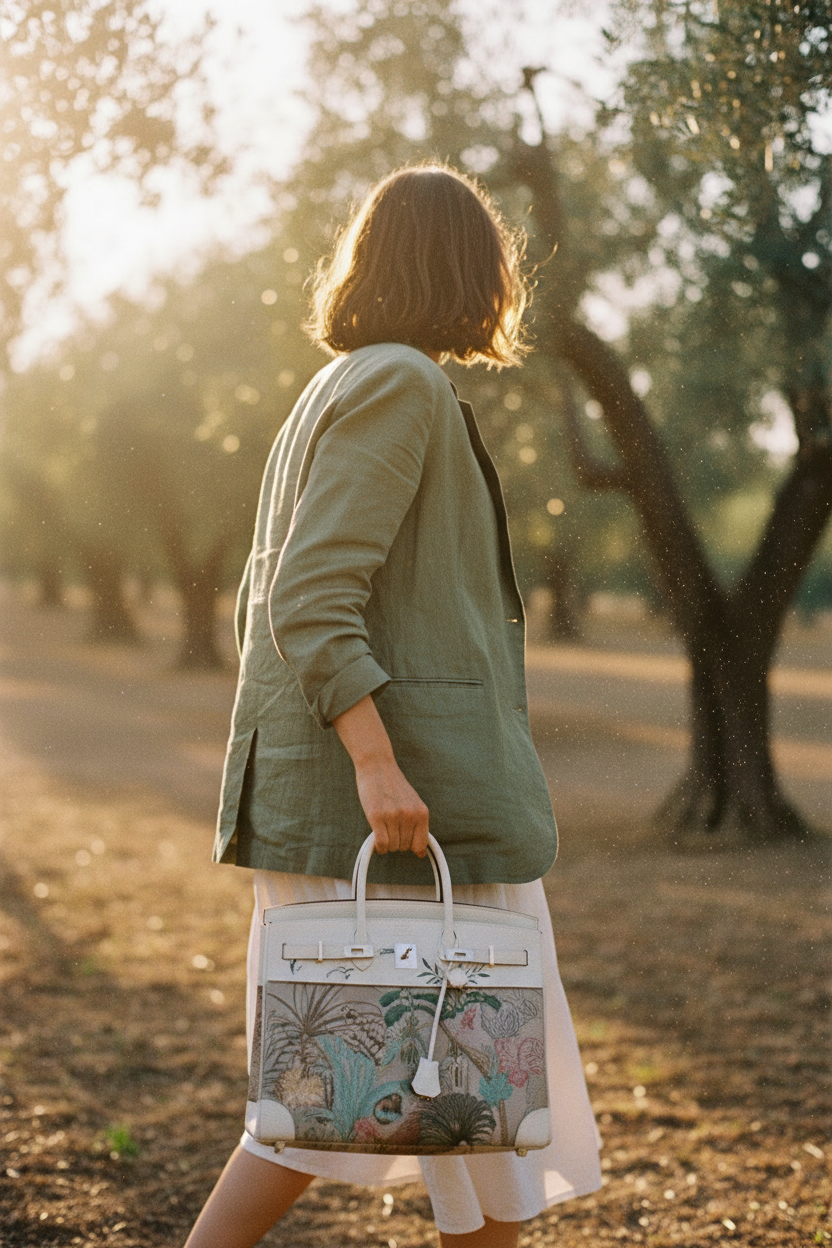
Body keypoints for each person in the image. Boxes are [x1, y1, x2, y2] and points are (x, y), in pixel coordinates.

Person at [184, 164, 601, 1248]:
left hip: (382, 802)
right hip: (394, 807)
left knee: (477, 1116)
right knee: (333, 1108)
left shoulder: (342, 382)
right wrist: (376, 766)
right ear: (466, 267)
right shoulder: (400, 383)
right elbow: (310, 595)